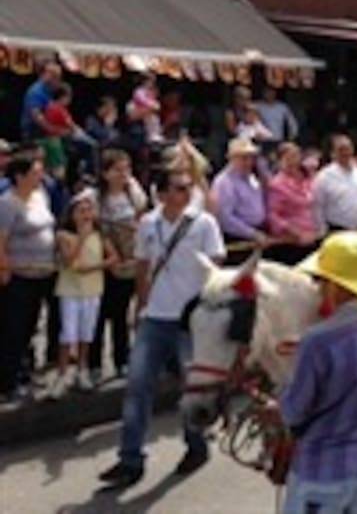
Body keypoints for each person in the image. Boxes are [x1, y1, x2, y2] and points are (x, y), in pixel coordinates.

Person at [98, 167, 226, 490]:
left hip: (190, 319)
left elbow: (217, 265)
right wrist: (141, 304)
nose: (186, 193)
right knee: (137, 387)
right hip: (155, 318)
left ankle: (196, 445)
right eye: (179, 188)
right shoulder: (148, 223)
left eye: (187, 188)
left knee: (192, 388)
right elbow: (142, 264)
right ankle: (131, 459)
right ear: (162, 194)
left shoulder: (203, 223)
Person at [277, 231, 357, 514]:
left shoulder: (318, 340)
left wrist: (278, 395)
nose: (317, 288)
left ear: (337, 286)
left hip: (323, 475)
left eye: (320, 280)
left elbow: (293, 412)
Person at [0, 146, 58, 402]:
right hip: (19, 274)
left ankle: (26, 372)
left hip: (44, 272)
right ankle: (8, 382)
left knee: (33, 326)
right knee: (14, 329)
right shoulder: (8, 204)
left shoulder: (40, 195)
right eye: (35, 172)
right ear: (20, 176)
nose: (40, 175)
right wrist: (4, 271)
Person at [49, 190, 116, 398]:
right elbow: (69, 260)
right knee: (68, 332)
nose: (86, 215)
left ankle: (82, 369)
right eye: (80, 211)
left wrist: (95, 267)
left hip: (93, 289)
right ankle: (62, 374)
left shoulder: (100, 234)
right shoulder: (63, 235)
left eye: (89, 211)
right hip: (69, 289)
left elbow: (113, 257)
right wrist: (81, 237)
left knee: (87, 332)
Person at [89, 149, 148, 382]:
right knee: (101, 313)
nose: (124, 174)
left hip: (130, 257)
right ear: (105, 173)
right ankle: (93, 363)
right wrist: (111, 255)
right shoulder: (95, 197)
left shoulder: (133, 192)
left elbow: (142, 220)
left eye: (127, 169)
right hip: (107, 259)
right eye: (118, 170)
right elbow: (95, 229)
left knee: (121, 312)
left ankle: (122, 359)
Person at [211, 137, 269, 264]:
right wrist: (253, 234)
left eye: (251, 158)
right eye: (244, 158)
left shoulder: (252, 178)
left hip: (256, 236)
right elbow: (225, 218)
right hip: (237, 239)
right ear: (232, 158)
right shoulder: (224, 183)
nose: (249, 162)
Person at [266, 142, 321, 266]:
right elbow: (273, 216)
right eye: (288, 158)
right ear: (279, 161)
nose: (292, 161)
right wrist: (296, 234)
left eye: (295, 156)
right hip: (291, 241)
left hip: (313, 236)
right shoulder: (277, 184)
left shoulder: (307, 179)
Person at [311, 134, 357, 231]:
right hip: (337, 230)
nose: (345, 152)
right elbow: (317, 207)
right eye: (341, 149)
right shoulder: (323, 177)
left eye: (348, 148)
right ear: (333, 153)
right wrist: (321, 230)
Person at [20, 60, 62, 141]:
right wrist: (53, 130)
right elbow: (37, 116)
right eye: (54, 76)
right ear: (44, 74)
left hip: (43, 132)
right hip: (34, 132)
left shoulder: (49, 91)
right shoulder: (36, 91)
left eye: (58, 77)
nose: (57, 80)